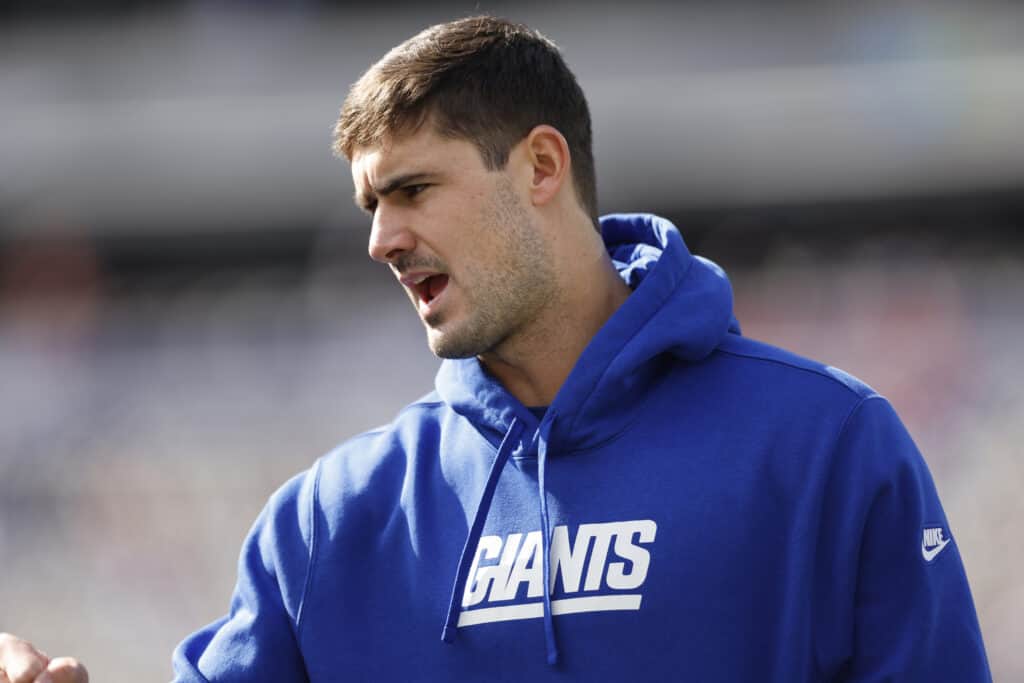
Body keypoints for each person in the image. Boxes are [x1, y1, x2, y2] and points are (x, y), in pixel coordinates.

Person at [2, 15, 991, 683]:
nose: (380, 241)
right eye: (369, 205)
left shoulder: (822, 445)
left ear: (541, 167)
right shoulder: (325, 523)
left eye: (414, 190)